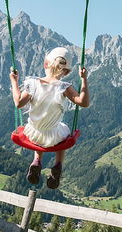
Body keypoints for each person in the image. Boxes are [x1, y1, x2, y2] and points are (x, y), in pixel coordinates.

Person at [9, 47, 89, 189]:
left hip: (32, 134)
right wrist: (83, 80)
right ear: (67, 72)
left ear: (46, 63)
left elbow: (18, 103)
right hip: (54, 138)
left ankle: (36, 161)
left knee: (39, 127)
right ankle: (58, 165)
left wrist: (14, 82)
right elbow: (84, 103)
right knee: (63, 129)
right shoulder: (65, 87)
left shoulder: (32, 83)